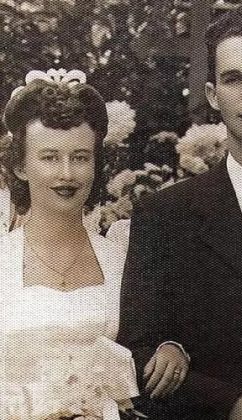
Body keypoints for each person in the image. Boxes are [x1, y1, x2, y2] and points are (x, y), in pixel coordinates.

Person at [117, 7, 242, 420]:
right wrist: (231, 404)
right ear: (212, 95)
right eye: (233, 79)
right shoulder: (164, 215)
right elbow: (137, 352)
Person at [0, 70, 138, 417]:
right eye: (49, 157)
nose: (67, 174)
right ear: (20, 167)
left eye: (80, 157)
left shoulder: (121, 259)